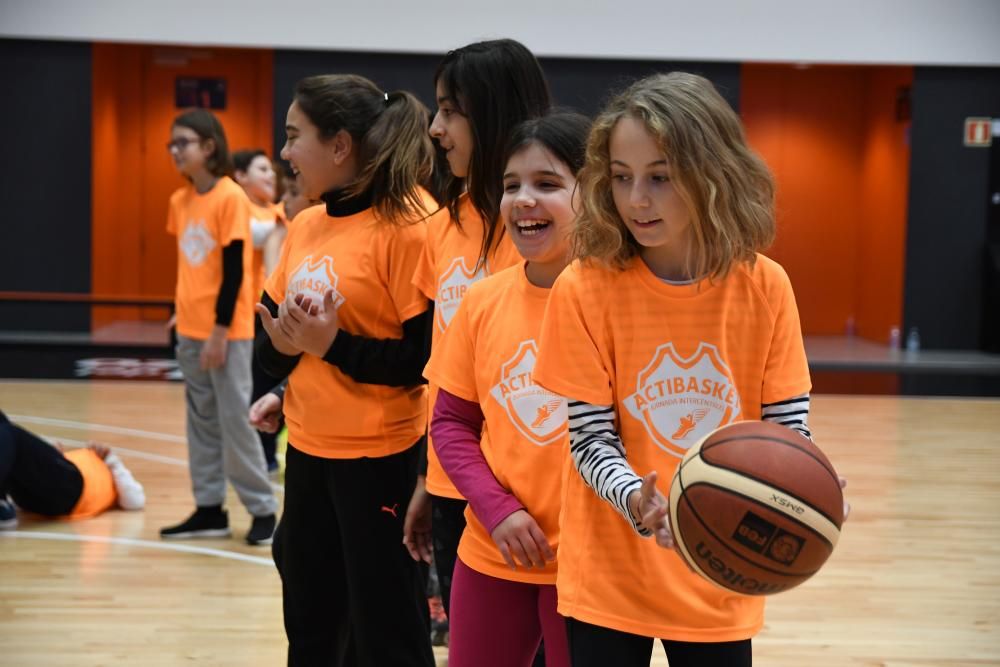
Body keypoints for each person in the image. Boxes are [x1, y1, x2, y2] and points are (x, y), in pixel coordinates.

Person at [532, 72, 822, 666]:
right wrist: (637, 501)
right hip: (609, 577)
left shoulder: (766, 287)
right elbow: (588, 440)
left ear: (710, 172)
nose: (637, 199)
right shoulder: (584, 288)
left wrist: (805, 479)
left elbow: (787, 428)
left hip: (722, 567)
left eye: (660, 177)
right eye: (621, 178)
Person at [255, 73, 438, 666]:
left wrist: (329, 347)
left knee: (385, 634)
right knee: (309, 623)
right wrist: (287, 364)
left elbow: (422, 361)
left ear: (339, 146)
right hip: (307, 451)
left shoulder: (412, 224)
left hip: (379, 460)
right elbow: (270, 348)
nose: (283, 154)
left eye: (293, 136)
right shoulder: (307, 222)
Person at [424, 111, 590, 667]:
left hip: (591, 561)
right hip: (495, 549)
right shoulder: (482, 301)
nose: (522, 200)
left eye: (546, 184)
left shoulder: (617, 301)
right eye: (511, 185)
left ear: (591, 194)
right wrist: (497, 511)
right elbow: (450, 423)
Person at [404, 39, 552, 627]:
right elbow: (445, 377)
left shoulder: (549, 232)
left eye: (449, 110)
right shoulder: (448, 220)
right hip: (455, 483)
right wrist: (426, 476)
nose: (436, 128)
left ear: (491, 111)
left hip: (536, 501)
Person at [160, 109, 278, 546]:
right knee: (201, 422)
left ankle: (263, 510)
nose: (175, 150)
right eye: (172, 144)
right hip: (190, 331)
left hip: (224, 333)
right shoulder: (180, 201)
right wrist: (179, 314)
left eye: (183, 142)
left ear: (209, 146)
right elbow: (191, 268)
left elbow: (232, 273)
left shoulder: (231, 197)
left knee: (235, 421)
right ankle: (209, 509)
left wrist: (217, 331)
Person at [0, 410, 144, 529]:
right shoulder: (72, 463)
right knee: (3, 423)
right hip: (41, 493)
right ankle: (3, 508)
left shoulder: (112, 467)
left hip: (76, 491)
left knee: (11, 434)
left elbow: (136, 502)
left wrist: (112, 460)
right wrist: (53, 456)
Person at [233, 148, 285, 473]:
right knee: (252, 386)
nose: (270, 175)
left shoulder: (282, 211)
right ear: (240, 177)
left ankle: (268, 451)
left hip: (276, 313)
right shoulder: (238, 210)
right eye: (261, 169)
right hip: (248, 312)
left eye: (272, 170)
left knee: (274, 382)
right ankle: (256, 454)